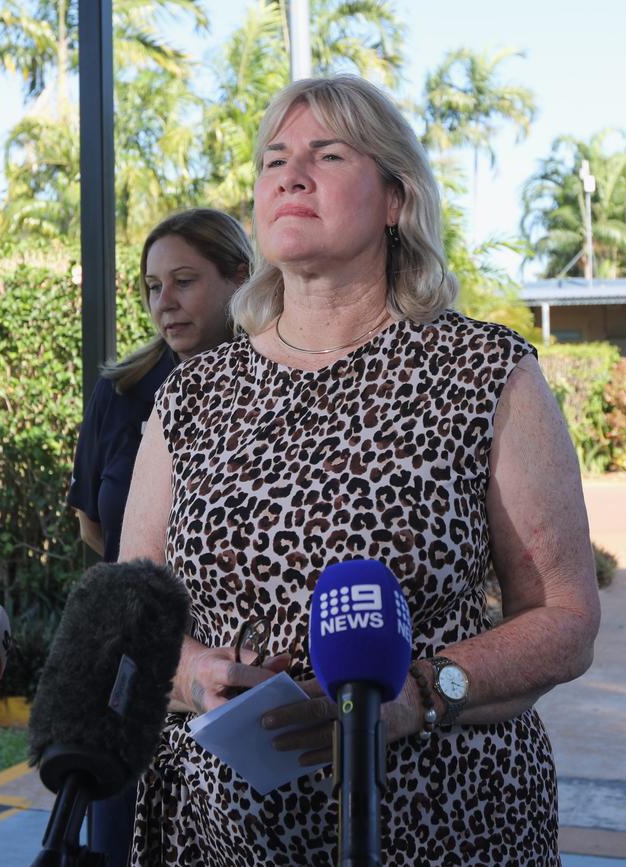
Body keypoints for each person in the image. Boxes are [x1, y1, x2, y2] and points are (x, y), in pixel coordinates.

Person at [119, 76, 600, 866]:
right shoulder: (195, 391)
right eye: (274, 160)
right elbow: (130, 612)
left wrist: (419, 693)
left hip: (443, 824)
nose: (290, 175)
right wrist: (196, 676)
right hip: (218, 833)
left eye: (327, 154)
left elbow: (564, 615)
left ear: (394, 199)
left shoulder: (485, 369)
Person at [67, 207, 252, 867]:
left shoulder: (276, 388)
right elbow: (95, 523)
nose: (164, 303)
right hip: (131, 677)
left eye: (183, 281)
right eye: (151, 286)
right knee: (118, 845)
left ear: (239, 276)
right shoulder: (120, 391)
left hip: (239, 679)